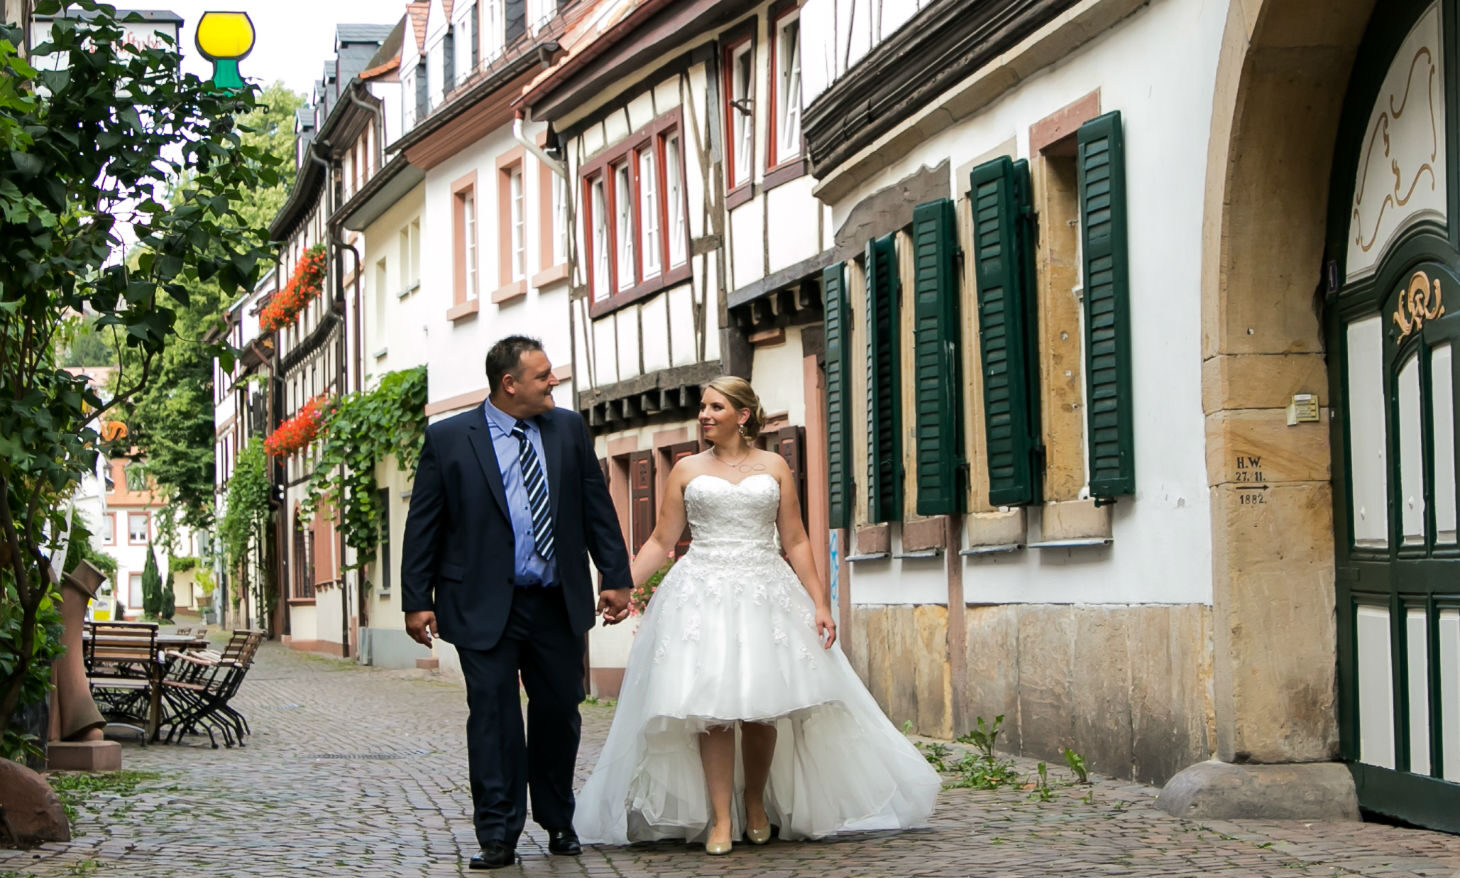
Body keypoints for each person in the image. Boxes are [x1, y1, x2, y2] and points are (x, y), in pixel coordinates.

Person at [573, 376, 940, 855]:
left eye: (715, 407)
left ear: (742, 415)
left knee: (764, 707)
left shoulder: (774, 466)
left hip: (765, 593)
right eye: (702, 407)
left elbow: (796, 540)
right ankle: (721, 818)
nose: (704, 415)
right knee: (711, 710)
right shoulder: (685, 469)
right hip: (702, 596)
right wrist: (624, 590)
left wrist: (820, 603)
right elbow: (661, 541)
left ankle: (756, 803)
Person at [400, 335, 633, 870]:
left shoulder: (568, 429)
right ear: (510, 384)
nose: (554, 381)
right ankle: (498, 833)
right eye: (543, 375)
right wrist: (417, 598)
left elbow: (596, 506)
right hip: (480, 603)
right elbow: (424, 523)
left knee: (559, 713)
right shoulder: (449, 439)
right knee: (493, 716)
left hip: (555, 602)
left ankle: (558, 820)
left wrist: (615, 576)